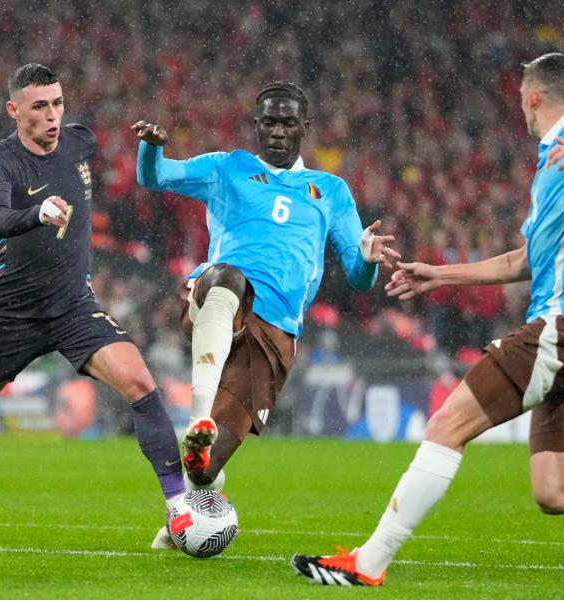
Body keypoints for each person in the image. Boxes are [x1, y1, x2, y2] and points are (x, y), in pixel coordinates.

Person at [291, 53, 564, 587]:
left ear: (532, 96)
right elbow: (523, 262)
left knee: (446, 425)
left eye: (520, 99)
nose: (521, 110)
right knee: (557, 492)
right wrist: (440, 275)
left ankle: (368, 563)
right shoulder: (551, 165)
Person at [0, 64, 186, 538]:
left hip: (72, 306)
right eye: (39, 106)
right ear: (14, 110)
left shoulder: (80, 141)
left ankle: (181, 508)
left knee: (141, 382)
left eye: (57, 103)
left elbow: (122, 166)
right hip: (11, 314)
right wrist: (36, 213)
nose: (52, 115)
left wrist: (151, 149)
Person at [133, 81, 399, 542]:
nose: (277, 131)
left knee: (202, 471)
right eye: (269, 122)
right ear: (257, 125)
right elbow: (155, 178)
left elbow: (358, 276)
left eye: (287, 123)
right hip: (217, 299)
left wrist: (370, 260)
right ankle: (198, 418)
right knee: (229, 278)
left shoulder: (330, 191)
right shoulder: (227, 167)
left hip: (275, 336)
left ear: (305, 128)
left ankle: (191, 514)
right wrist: (151, 150)